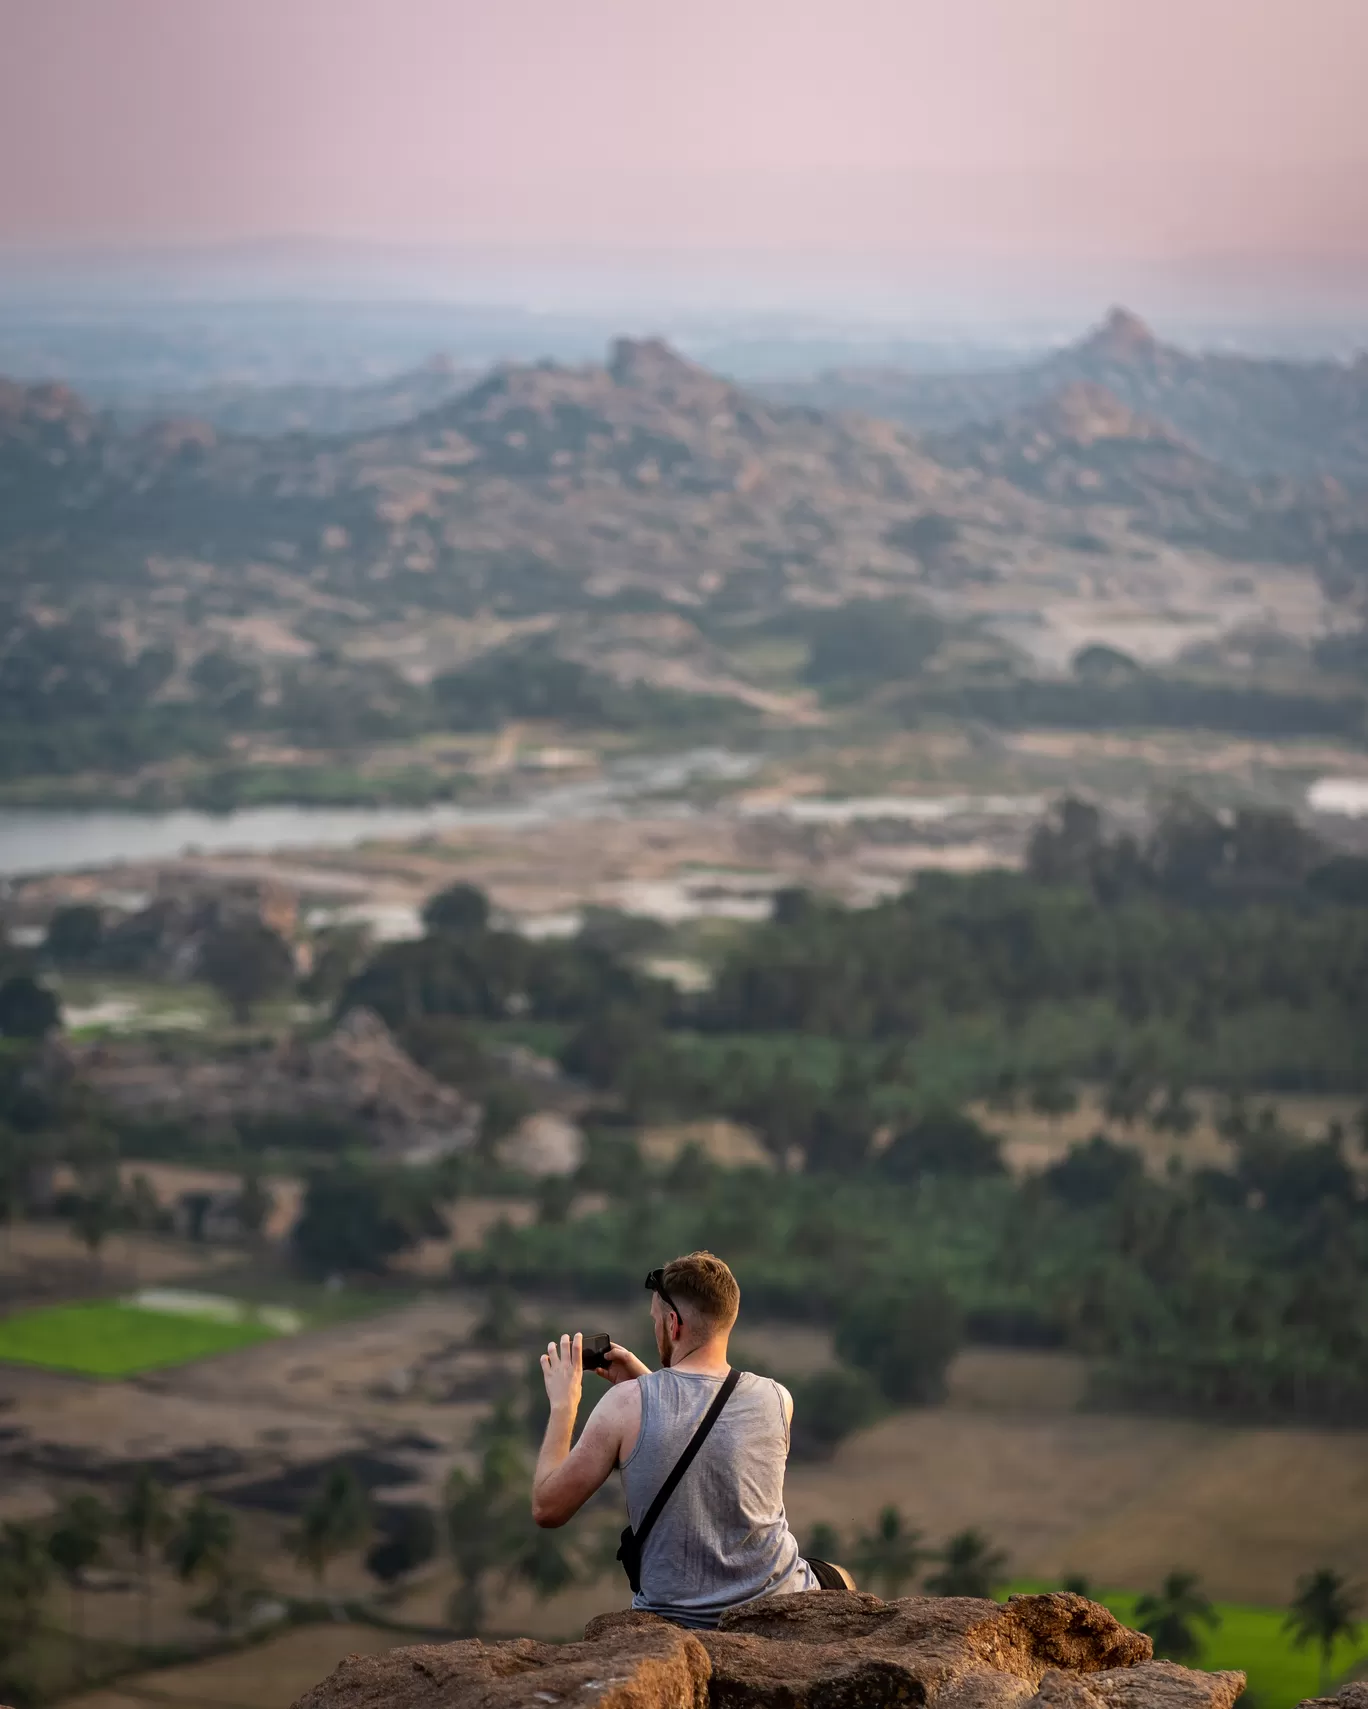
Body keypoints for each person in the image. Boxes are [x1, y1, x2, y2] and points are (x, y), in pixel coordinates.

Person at [531, 1249, 853, 1629]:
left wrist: (564, 1405)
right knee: (841, 1577)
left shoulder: (623, 1406)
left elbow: (548, 1509)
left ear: (673, 1324)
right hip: (776, 1601)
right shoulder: (777, 1398)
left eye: (656, 1321)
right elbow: (708, 1429)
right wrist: (647, 1383)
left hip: (678, 1621)